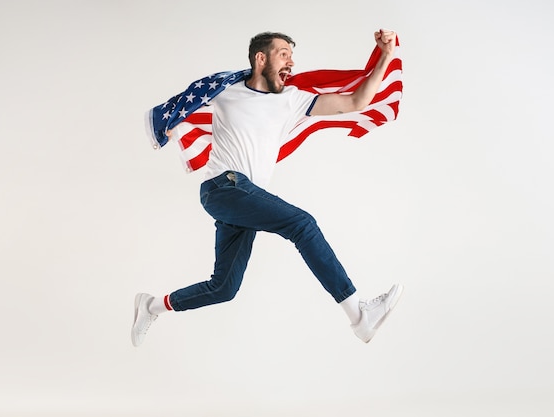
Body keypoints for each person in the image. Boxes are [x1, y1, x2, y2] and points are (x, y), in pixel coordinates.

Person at [132, 29, 403, 346]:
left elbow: (357, 101)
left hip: (244, 199)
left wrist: (385, 55)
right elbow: (188, 99)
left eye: (291, 55)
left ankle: (150, 305)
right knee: (302, 224)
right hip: (224, 187)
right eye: (283, 54)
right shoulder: (226, 89)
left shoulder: (292, 100)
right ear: (261, 58)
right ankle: (358, 315)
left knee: (224, 288)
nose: (291, 62)